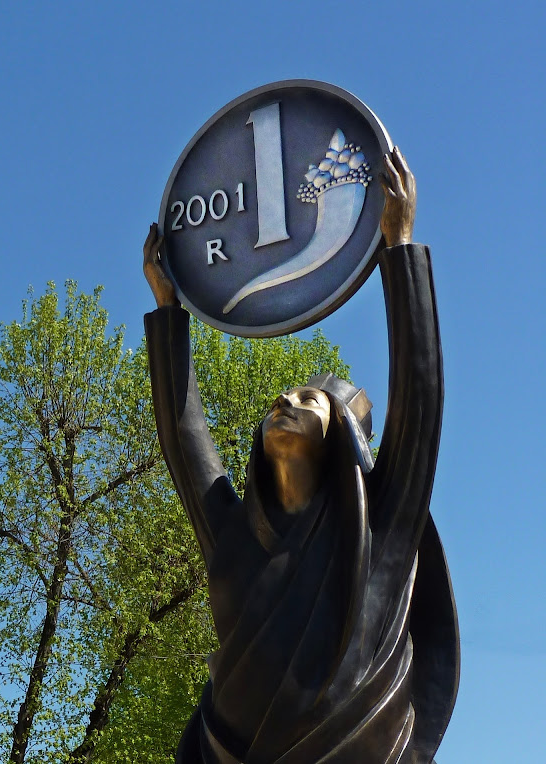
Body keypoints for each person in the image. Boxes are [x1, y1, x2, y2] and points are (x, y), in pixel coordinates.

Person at [142, 149, 459, 764]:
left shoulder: (377, 535)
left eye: (308, 399)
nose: (286, 400)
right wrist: (168, 309)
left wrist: (399, 249)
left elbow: (420, 407)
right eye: (279, 399)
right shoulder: (234, 536)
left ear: (339, 432)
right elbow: (185, 442)